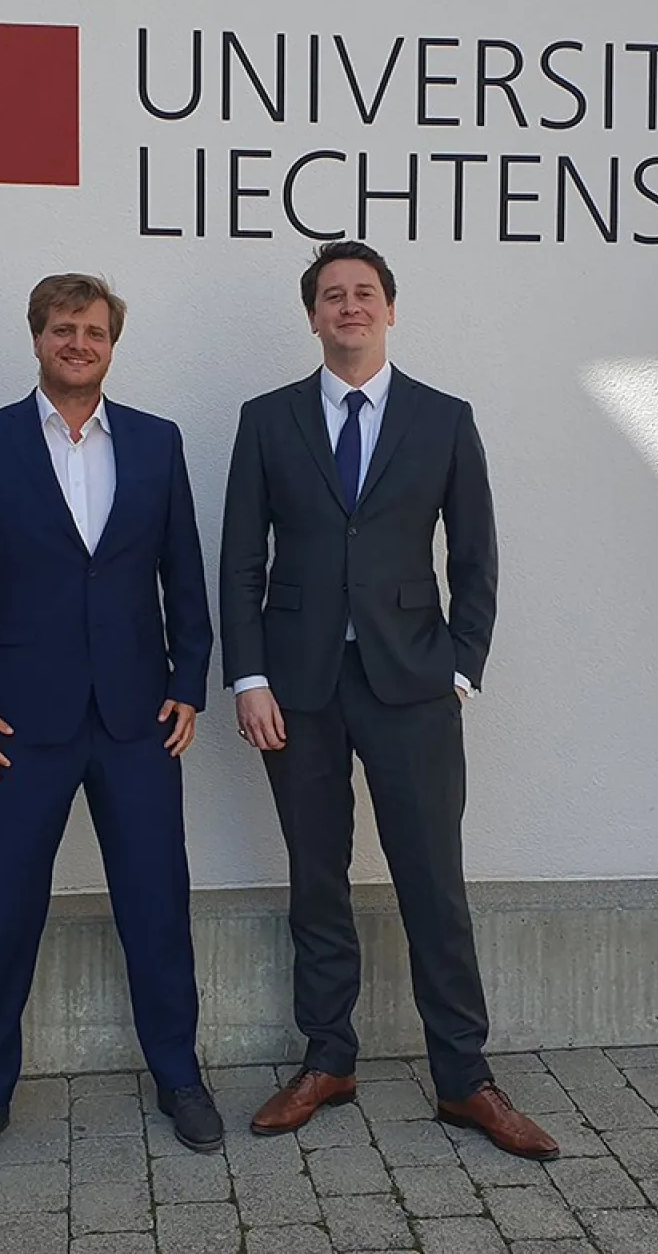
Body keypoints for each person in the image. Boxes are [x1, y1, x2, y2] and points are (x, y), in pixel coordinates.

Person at [219, 241, 557, 1160]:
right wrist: (248, 678)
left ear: (390, 310)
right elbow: (243, 558)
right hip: (299, 691)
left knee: (432, 883)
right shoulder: (268, 420)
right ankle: (328, 1058)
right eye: (333, 296)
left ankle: (464, 1077)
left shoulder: (444, 419)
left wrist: (461, 666)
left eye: (364, 293)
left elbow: (477, 555)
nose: (350, 307)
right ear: (314, 316)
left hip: (412, 686)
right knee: (316, 879)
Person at [0, 273, 222, 1170]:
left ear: (111, 343)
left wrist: (190, 680)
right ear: (38, 338)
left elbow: (185, 574)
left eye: (94, 330)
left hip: (137, 720)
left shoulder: (156, 442)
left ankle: (180, 1077)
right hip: (18, 725)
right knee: (7, 909)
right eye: (64, 329)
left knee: (156, 905)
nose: (79, 343)